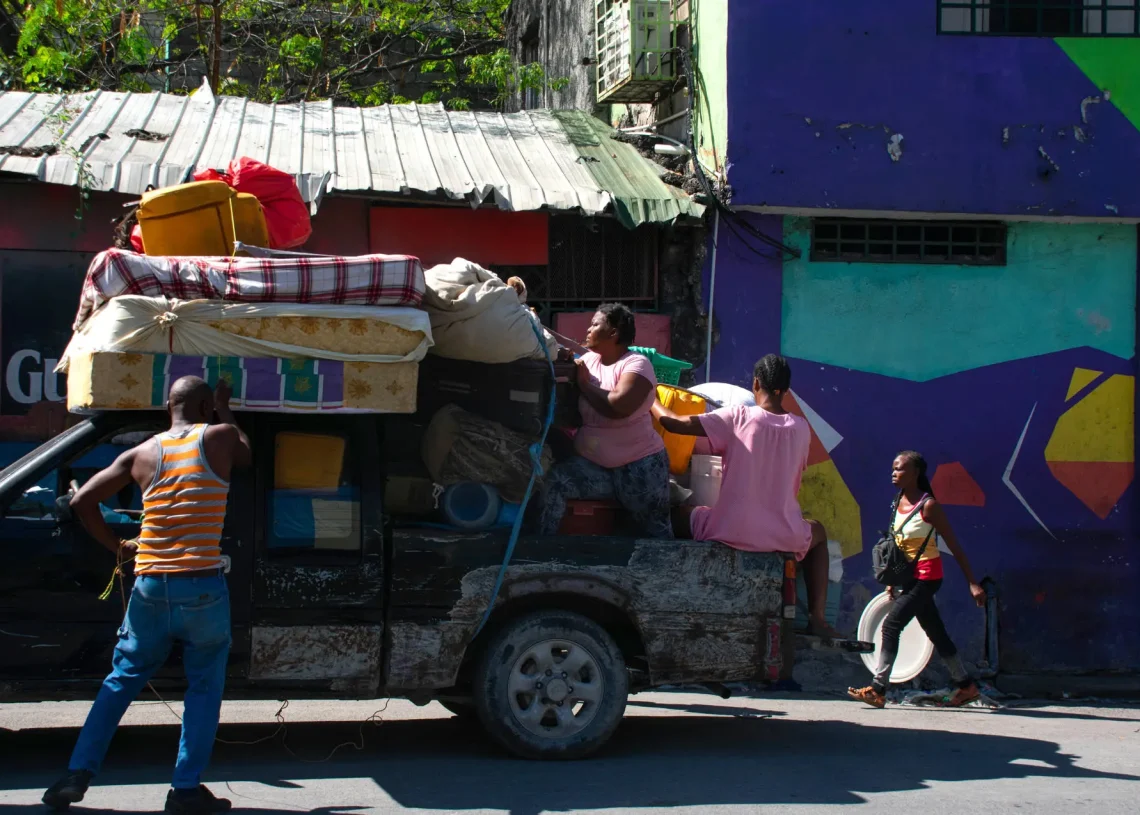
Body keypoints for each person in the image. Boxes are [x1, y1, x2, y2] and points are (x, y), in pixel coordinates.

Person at [43, 377, 252, 814]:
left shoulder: (141, 453)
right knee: (202, 689)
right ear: (201, 405)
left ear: (166, 407)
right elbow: (246, 454)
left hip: (150, 585)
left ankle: (77, 773)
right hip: (201, 587)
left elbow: (82, 501)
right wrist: (224, 408)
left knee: (120, 681)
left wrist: (118, 546)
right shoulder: (219, 436)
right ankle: (185, 790)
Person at [651, 354, 842, 639]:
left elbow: (673, 422)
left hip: (732, 529)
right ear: (786, 390)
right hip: (784, 534)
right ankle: (817, 618)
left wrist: (648, 392)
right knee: (819, 532)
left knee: (676, 513)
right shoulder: (802, 429)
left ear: (755, 383)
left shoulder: (737, 416)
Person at [847, 451, 986, 708]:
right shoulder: (897, 501)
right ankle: (966, 686)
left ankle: (878, 688)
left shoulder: (929, 506)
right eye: (893, 468)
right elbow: (898, 543)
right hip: (910, 578)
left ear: (915, 474)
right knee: (936, 632)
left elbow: (954, 545)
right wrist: (893, 579)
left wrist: (972, 582)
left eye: (899, 469)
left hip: (928, 577)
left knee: (891, 626)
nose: (894, 473)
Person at [539, 303, 672, 539]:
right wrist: (536, 325)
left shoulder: (636, 364)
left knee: (654, 533)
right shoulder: (589, 362)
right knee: (555, 483)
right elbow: (563, 344)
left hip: (640, 467)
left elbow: (618, 407)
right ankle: (542, 551)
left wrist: (585, 385)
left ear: (613, 333)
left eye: (595, 324)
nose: (588, 329)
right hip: (594, 467)